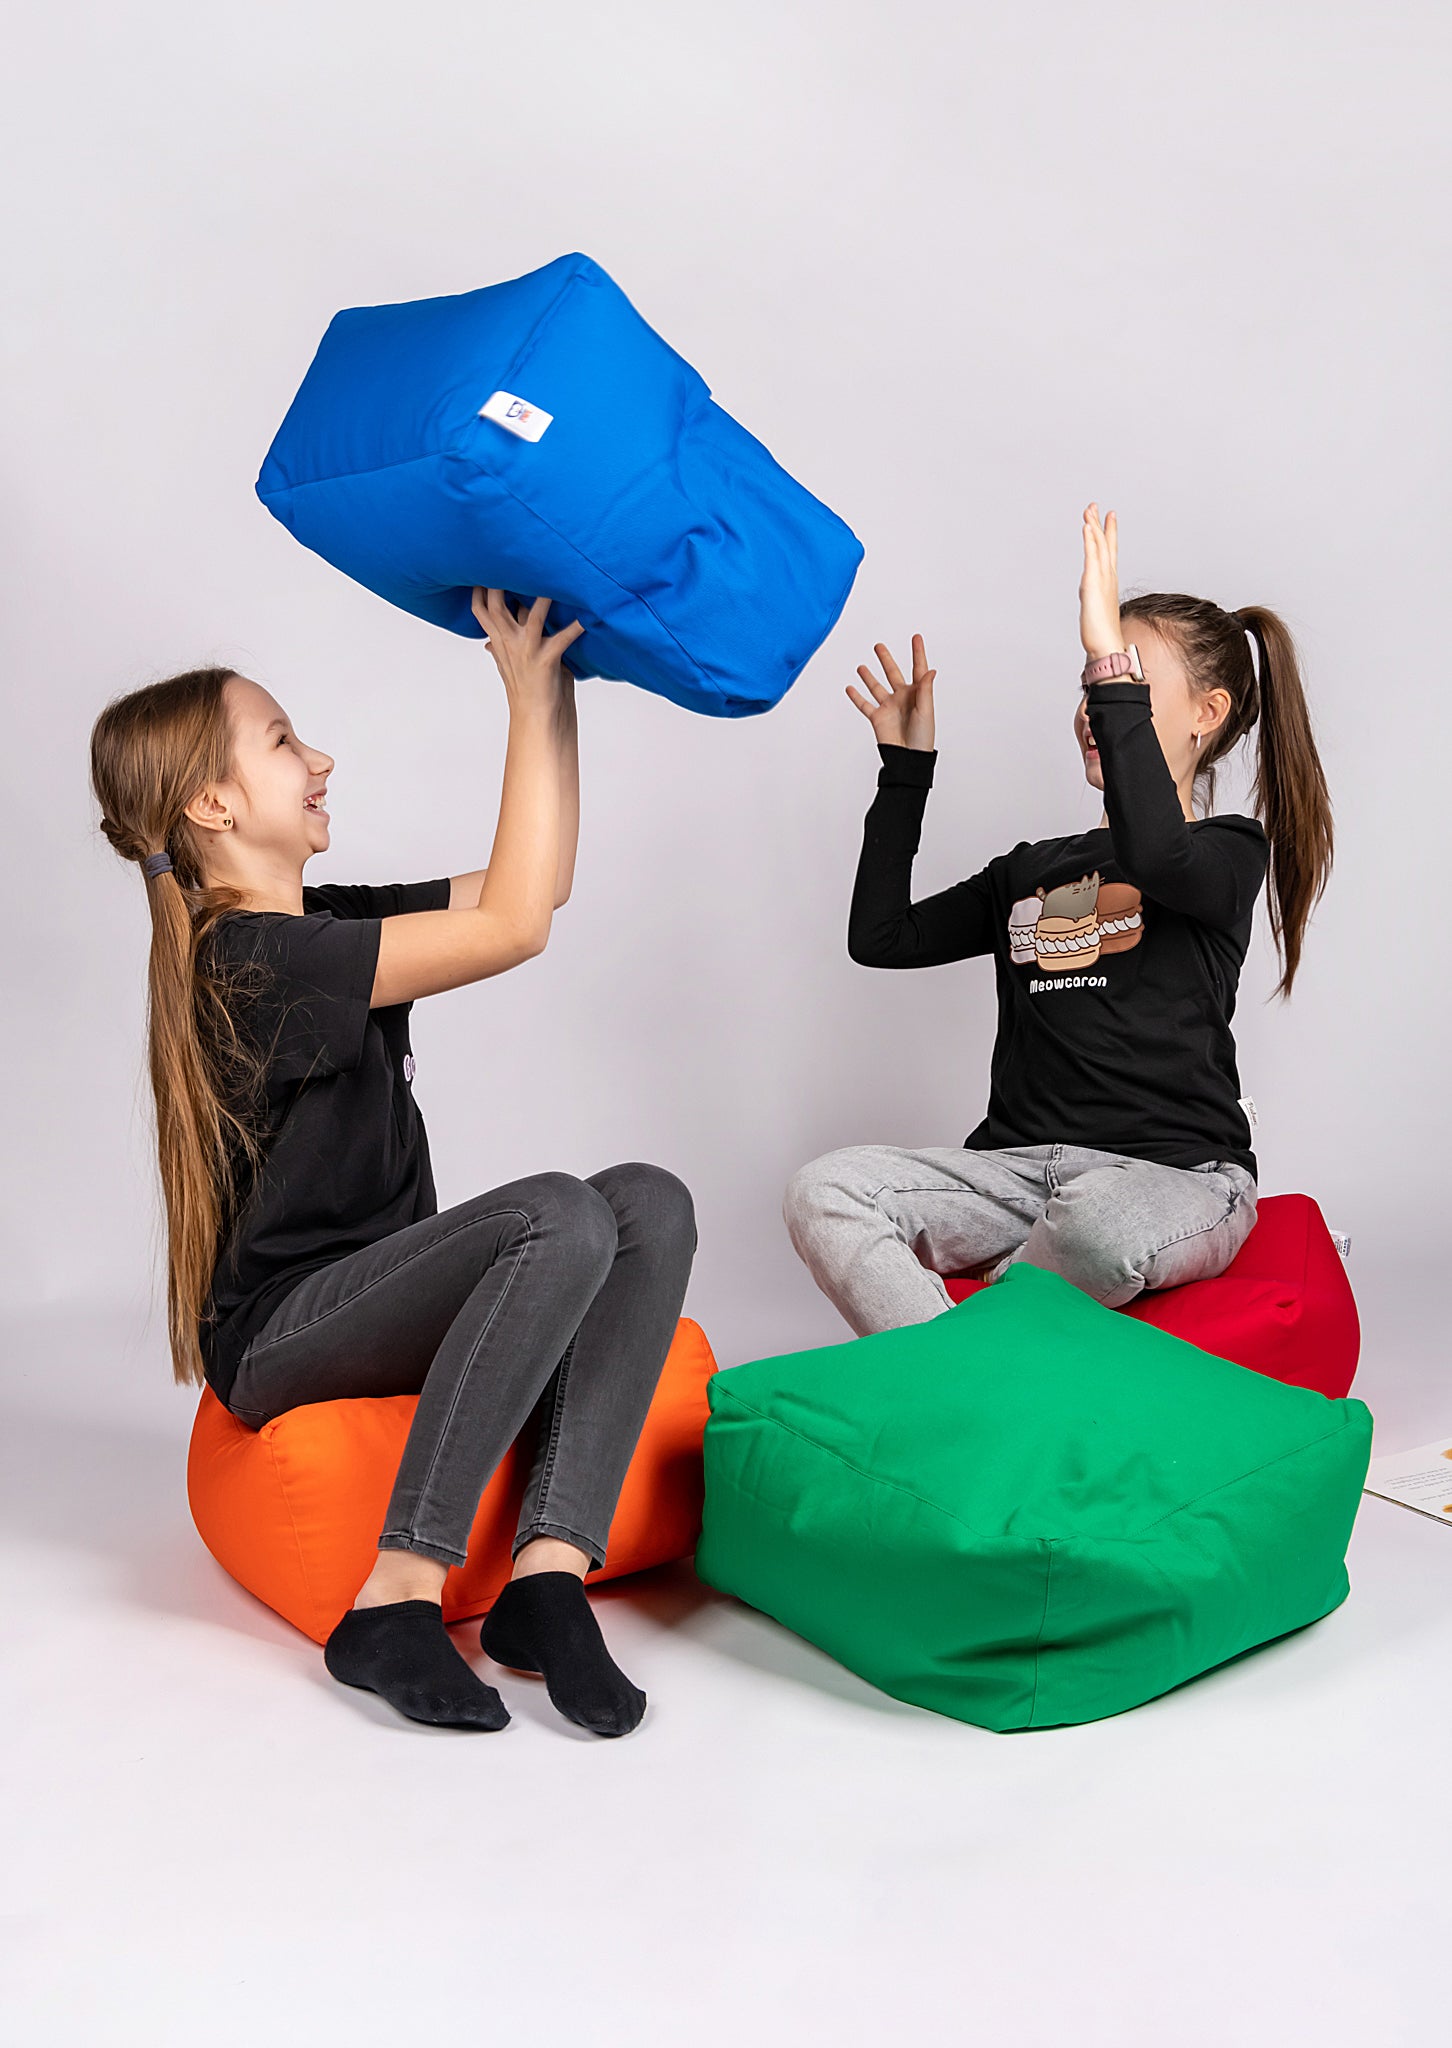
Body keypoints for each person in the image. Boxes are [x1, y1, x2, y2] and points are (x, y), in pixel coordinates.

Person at [90, 589, 696, 1736]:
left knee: (647, 1203)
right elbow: (514, 923)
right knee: (557, 1216)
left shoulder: (322, 927)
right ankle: (397, 1591)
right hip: (282, 1334)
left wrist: (553, 684)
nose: (319, 757)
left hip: (378, 1292)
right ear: (213, 801)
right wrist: (517, 699)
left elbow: (536, 886)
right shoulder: (250, 963)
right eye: (281, 743)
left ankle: (547, 1577)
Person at [784, 504, 1333, 1334]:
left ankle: (971, 1347)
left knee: (1105, 1228)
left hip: (1173, 1179)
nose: (1093, 704)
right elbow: (881, 939)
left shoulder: (1225, 852)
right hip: (1014, 1174)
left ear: (1206, 714)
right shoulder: (1030, 870)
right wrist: (906, 770)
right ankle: (962, 1374)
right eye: (1090, 686)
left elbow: (1156, 854)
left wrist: (1105, 657)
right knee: (825, 1190)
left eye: (1122, 684)